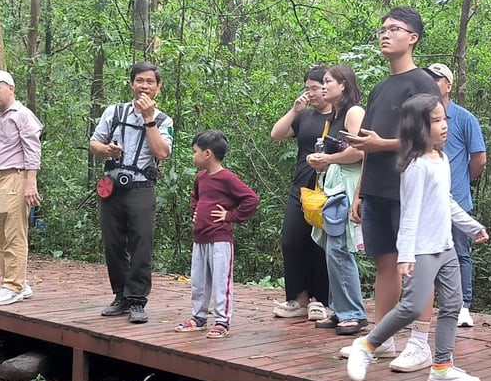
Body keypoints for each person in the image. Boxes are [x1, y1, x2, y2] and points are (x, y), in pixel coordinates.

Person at [347, 93, 489, 381]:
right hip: (422, 250)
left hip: (445, 246)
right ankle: (367, 347)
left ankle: (441, 367)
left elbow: (446, 202)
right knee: (411, 306)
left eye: (443, 119)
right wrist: (406, 255)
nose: (444, 125)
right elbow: (409, 214)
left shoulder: (442, 158)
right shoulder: (415, 167)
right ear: (418, 128)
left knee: (452, 305)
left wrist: (472, 227)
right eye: (436, 121)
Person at [341, 6, 442, 371]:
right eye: (383, 28)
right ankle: (380, 339)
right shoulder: (381, 87)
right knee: (384, 262)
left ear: (412, 37)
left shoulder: (423, 84)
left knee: (412, 266)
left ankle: (419, 342)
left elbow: (433, 138)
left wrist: (383, 144)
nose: (386, 34)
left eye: (395, 29)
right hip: (377, 189)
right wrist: (359, 191)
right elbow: (368, 143)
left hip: (411, 189)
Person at [90, 61, 174, 324]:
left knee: (141, 244)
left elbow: (162, 153)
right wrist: (107, 151)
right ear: (131, 84)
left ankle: (138, 300)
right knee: (113, 243)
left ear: (158, 87)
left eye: (150, 82)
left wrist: (148, 119)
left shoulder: (163, 120)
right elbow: (94, 143)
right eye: (140, 81)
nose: (144, 86)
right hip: (112, 186)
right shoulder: (114, 112)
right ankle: (121, 296)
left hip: (141, 187)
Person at [174, 130, 260, 339]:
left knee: (221, 281)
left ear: (207, 154)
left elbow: (251, 199)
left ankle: (222, 321)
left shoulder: (227, 178)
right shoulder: (200, 177)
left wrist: (230, 216)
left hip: (220, 239)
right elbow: (195, 198)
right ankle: (199, 317)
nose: (193, 156)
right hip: (200, 238)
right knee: (198, 281)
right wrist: (195, 211)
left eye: (195, 151)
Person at [306, 65, 367, 335]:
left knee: (340, 250)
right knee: (331, 250)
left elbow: (360, 150)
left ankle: (354, 313)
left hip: (346, 187)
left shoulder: (354, 112)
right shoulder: (335, 115)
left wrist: (329, 159)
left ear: (343, 85)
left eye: (328, 81)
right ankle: (339, 309)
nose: (323, 86)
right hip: (333, 184)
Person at [425, 63, 487, 327]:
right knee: (425, 253)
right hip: (426, 198)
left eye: (437, 80)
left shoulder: (464, 119)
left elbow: (479, 159)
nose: (432, 83)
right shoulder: (419, 117)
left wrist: (463, 180)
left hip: (456, 198)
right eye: (429, 79)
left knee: (460, 252)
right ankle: (425, 307)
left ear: (448, 85)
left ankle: (463, 306)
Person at [270, 66, 332, 321]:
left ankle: (320, 300)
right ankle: (298, 298)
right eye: (307, 89)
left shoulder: (340, 116)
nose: (310, 93)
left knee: (319, 244)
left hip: (327, 187)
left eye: (314, 88)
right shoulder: (304, 116)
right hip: (301, 186)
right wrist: (295, 110)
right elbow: (276, 134)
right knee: (292, 240)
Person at [0, 70, 43, 306]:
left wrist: (30, 183)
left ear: (11, 88)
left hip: (16, 178)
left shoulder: (23, 115)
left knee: (15, 233)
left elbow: (33, 150)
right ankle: (18, 282)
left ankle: (12, 286)